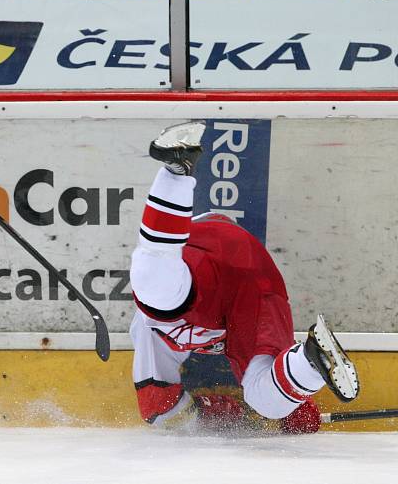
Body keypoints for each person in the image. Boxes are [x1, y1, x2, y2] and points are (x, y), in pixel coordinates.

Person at [129, 121, 360, 434]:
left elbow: (157, 403)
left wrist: (225, 417)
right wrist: (290, 410)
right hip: (253, 281)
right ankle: (308, 362)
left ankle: (175, 173)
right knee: (267, 399)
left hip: (219, 261)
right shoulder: (153, 324)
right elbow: (158, 402)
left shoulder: (148, 329)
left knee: (154, 289)